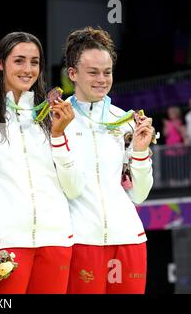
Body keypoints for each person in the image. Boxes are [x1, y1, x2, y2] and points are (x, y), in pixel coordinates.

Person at [0, 32, 79, 294]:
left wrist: (58, 135)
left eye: (34, 62)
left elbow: (73, 187)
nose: (28, 69)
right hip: (8, 243)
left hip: (56, 240)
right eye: (19, 61)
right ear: (1, 64)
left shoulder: (55, 116)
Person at [63, 27, 155, 293]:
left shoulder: (126, 121)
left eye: (107, 72)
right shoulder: (56, 121)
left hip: (128, 240)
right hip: (81, 241)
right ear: (73, 74)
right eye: (92, 72)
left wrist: (139, 151)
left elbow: (139, 194)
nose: (102, 79)